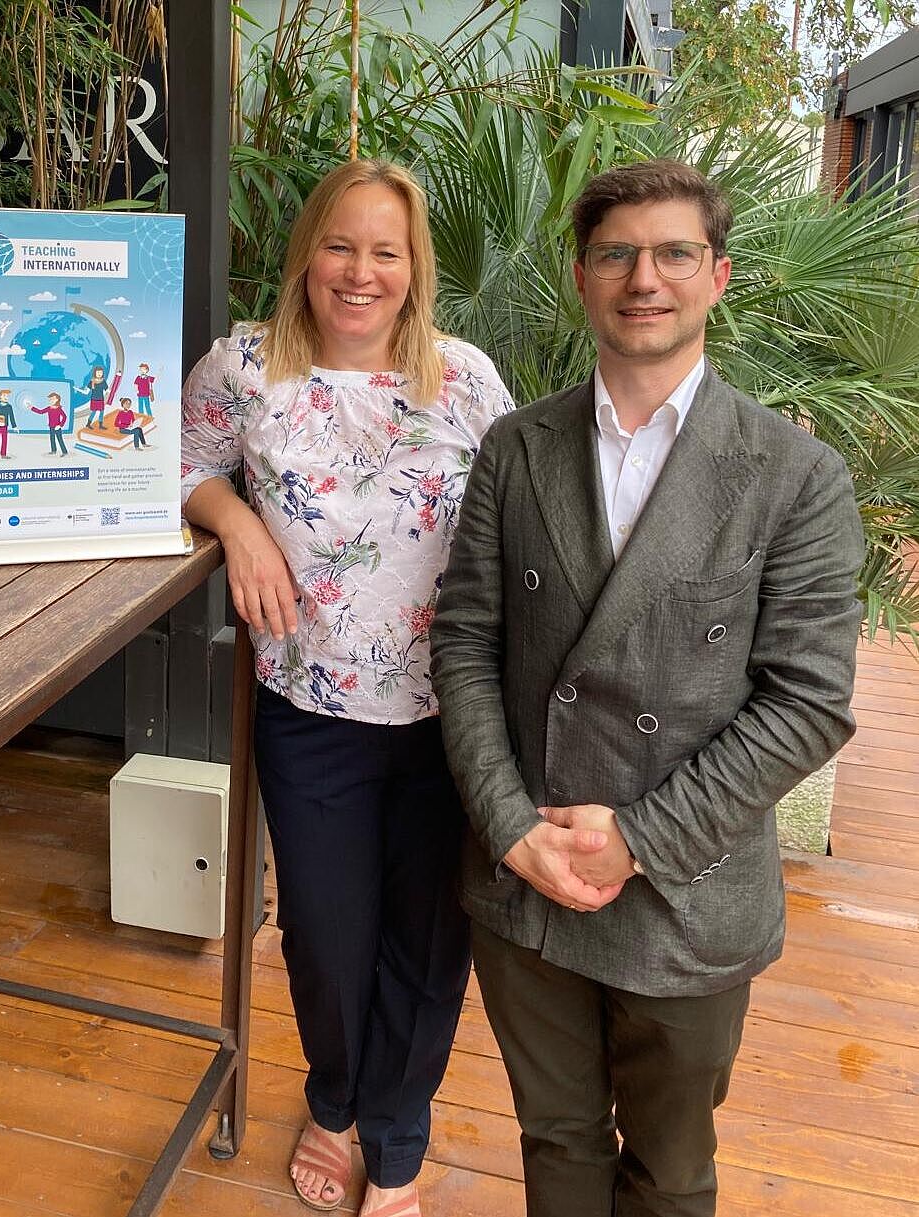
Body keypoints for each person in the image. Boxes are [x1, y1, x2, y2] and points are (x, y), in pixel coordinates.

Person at [429, 158, 864, 1217]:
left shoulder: (794, 475)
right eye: (616, 254)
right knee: (556, 1142)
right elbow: (466, 641)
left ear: (718, 275)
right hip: (529, 871)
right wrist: (507, 825)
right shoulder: (515, 447)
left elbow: (808, 700)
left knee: (670, 1173)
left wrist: (641, 837)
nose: (644, 278)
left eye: (673, 253)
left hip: (685, 888)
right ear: (581, 276)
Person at [181, 159, 512, 1217]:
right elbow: (176, 462)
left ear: (414, 269)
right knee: (325, 936)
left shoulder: (464, 379)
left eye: (385, 252)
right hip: (307, 705)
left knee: (430, 942)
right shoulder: (244, 365)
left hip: (453, 712)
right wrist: (236, 522)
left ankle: (395, 1135)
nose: (359, 272)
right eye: (340, 245)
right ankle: (333, 1098)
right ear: (306, 254)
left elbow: (521, 517)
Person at [30, 391, 68, 456]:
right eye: (50, 399)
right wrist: (32, 407)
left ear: (57, 399)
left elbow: (64, 417)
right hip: (51, 426)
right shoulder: (49, 408)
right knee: (52, 438)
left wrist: (60, 425)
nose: (51, 400)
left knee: (60, 439)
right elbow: (40, 412)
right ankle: (53, 450)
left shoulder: (59, 409)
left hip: (57, 427)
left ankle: (64, 452)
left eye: (53, 399)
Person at [77, 365, 109, 429]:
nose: (99, 374)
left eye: (101, 372)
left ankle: (100, 425)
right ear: (95, 373)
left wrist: (108, 391)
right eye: (98, 372)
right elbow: (86, 392)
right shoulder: (92, 381)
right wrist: (78, 389)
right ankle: (88, 424)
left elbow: (107, 390)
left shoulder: (103, 381)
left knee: (102, 412)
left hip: (101, 399)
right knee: (93, 412)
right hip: (94, 399)